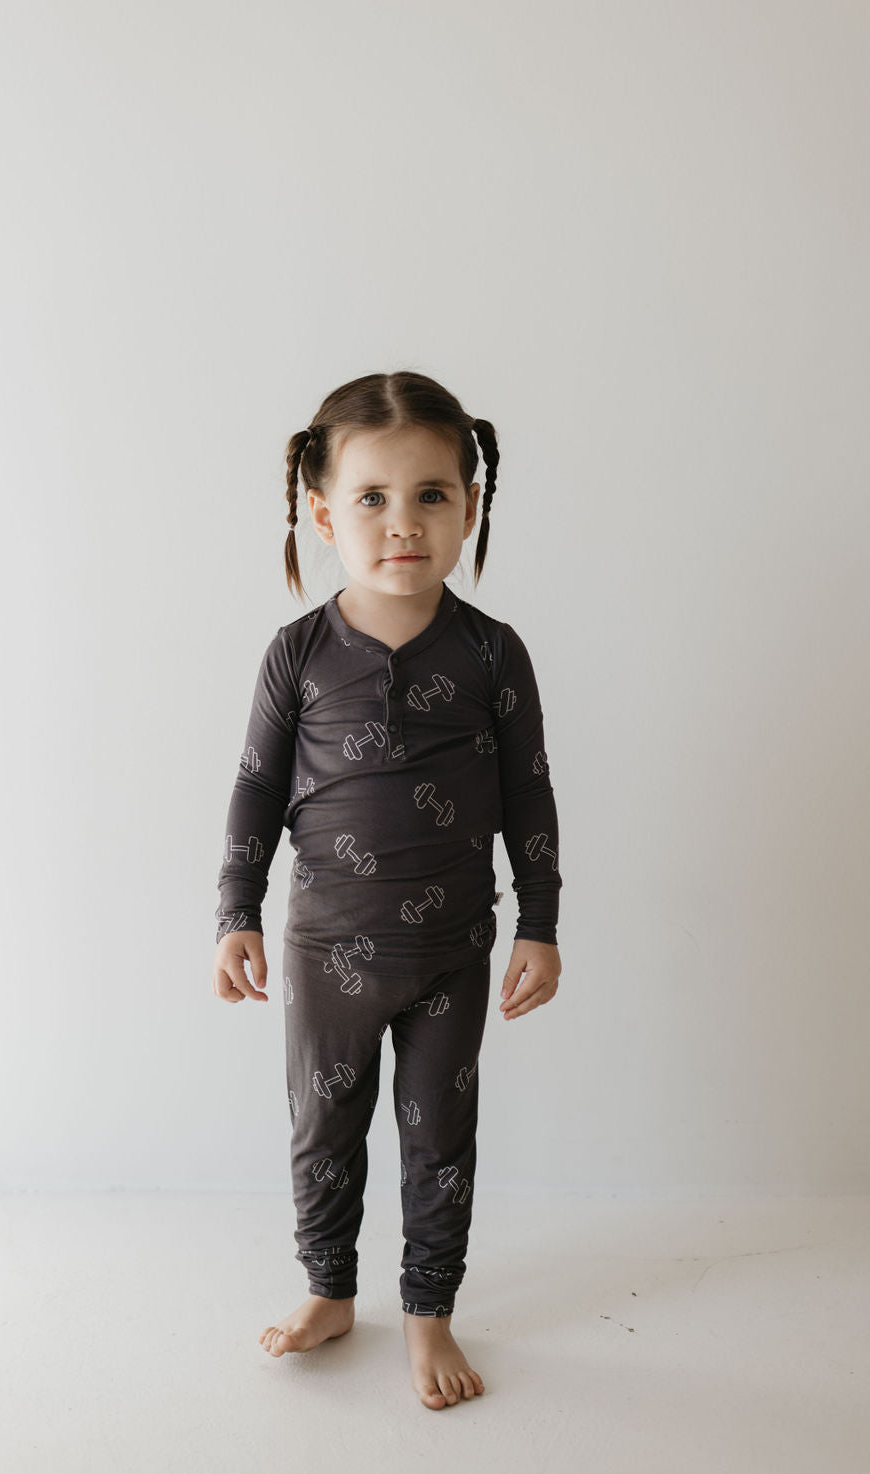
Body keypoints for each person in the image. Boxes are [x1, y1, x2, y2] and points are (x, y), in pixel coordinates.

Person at [211, 370, 563, 1410]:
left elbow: (528, 797)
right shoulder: (299, 654)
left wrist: (539, 924)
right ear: (322, 511)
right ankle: (327, 1288)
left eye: (430, 495)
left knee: (437, 1137)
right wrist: (233, 911)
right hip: (326, 953)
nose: (401, 522)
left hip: (452, 953)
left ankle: (428, 1313)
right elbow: (254, 791)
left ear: (469, 506)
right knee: (323, 1132)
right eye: (371, 497)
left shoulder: (493, 654)